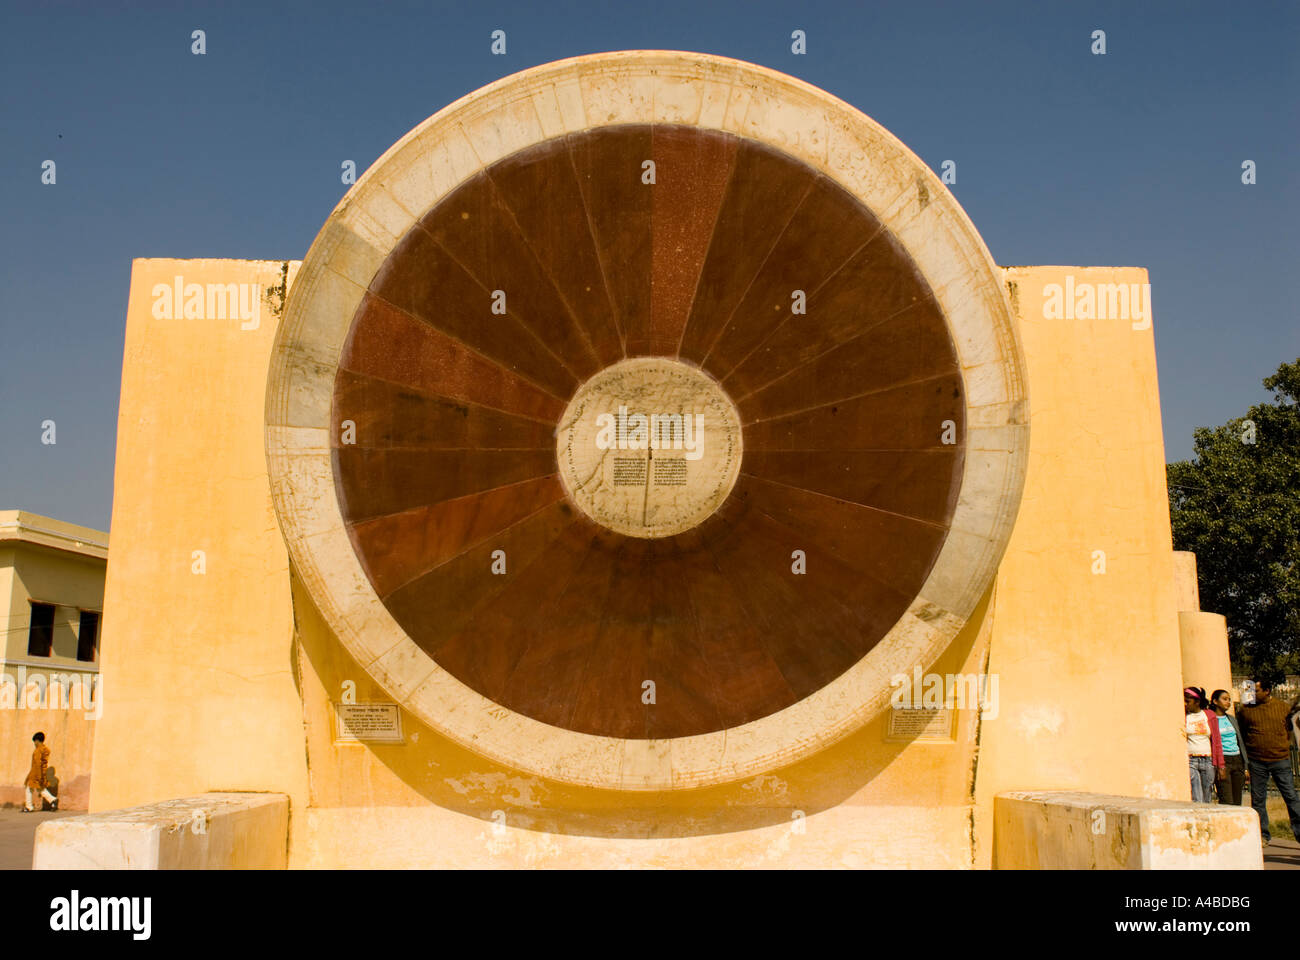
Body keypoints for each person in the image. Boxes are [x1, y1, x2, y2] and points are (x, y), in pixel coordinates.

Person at [1235, 674, 1300, 846]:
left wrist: (1281, 746)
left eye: (1256, 690)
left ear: (1267, 690)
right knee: (1258, 800)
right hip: (1257, 761)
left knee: (1291, 798)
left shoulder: (1282, 707)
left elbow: (1289, 731)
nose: (1252, 694)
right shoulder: (1246, 710)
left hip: (1280, 759)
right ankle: (1263, 835)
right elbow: (1242, 732)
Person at [1183, 687, 1223, 803]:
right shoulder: (1185, 716)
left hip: (1208, 760)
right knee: (1196, 796)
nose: (1185, 704)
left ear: (1197, 701)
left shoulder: (1209, 715)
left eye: (1188, 701)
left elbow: (1217, 740)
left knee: (1207, 796)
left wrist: (1220, 764)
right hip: (1191, 760)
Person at [1210, 689, 1247, 805]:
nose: (1228, 702)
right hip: (1223, 761)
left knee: (1237, 800)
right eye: (1224, 699)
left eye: (1229, 700)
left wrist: (1245, 765)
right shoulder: (1211, 719)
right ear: (1215, 701)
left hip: (1237, 759)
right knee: (1227, 799)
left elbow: (1239, 741)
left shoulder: (1231, 719)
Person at [23, 732, 49, 813]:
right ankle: (53, 800)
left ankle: (29, 806)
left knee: (29, 789)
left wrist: (38, 775)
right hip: (40, 772)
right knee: (40, 789)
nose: (34, 743)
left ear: (37, 741)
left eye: (34, 741)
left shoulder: (38, 751)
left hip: (35, 773)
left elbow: (37, 764)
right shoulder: (45, 749)